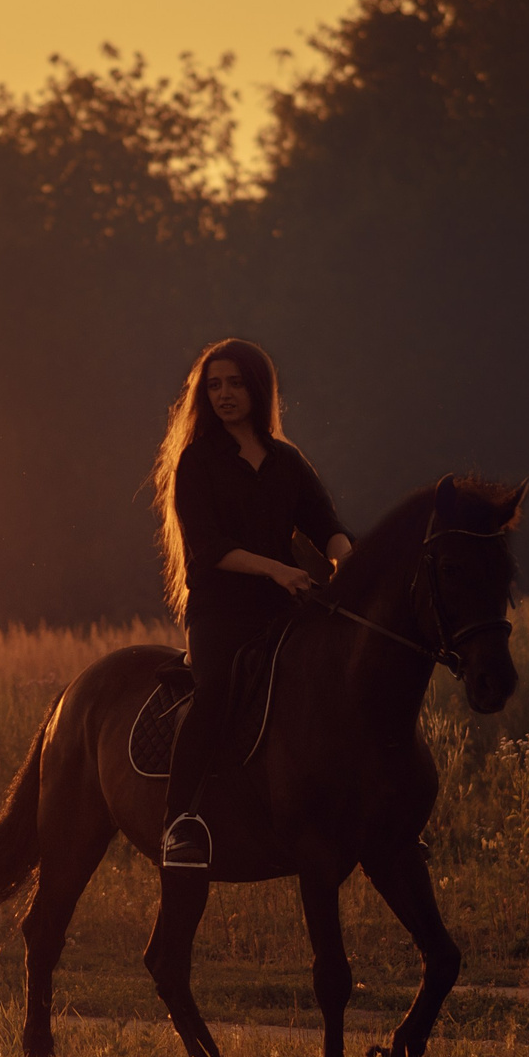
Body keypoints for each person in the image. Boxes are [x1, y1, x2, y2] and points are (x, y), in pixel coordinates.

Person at [151, 339, 351, 872]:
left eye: (234, 383)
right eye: (213, 385)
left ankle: (367, 810)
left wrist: (346, 559)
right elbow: (208, 550)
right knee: (215, 693)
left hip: (283, 607)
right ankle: (179, 821)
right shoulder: (197, 462)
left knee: (340, 678)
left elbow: (326, 525)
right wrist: (278, 568)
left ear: (258, 388)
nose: (223, 395)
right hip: (221, 611)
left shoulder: (287, 460)